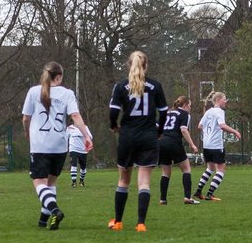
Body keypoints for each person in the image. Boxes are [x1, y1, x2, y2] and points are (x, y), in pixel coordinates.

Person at [21, 61, 93, 230]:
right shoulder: (67, 93)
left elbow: (26, 118)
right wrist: (86, 136)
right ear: (59, 77)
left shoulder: (33, 92)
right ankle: (43, 222)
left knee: (39, 183)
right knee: (51, 184)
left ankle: (55, 210)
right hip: (60, 146)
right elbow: (75, 116)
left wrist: (27, 132)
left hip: (40, 145)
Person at [107, 50, 168, 232]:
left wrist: (114, 126)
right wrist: (159, 131)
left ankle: (118, 222)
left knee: (124, 181)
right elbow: (164, 112)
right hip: (148, 136)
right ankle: (141, 223)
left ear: (128, 65)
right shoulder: (155, 86)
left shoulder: (120, 86)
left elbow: (113, 112)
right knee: (144, 183)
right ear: (146, 66)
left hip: (128, 137)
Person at [194, 91, 241, 201]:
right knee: (221, 170)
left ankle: (198, 191)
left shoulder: (209, 111)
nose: (226, 101)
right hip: (216, 145)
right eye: (224, 99)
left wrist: (209, 129)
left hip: (206, 145)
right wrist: (235, 132)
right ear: (218, 100)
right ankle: (210, 194)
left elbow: (200, 126)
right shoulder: (219, 111)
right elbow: (222, 125)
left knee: (210, 169)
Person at [158, 95, 201, 205]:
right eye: (190, 106)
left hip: (162, 142)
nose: (190, 108)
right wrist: (192, 144)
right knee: (186, 169)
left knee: (165, 172)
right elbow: (183, 130)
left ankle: (163, 199)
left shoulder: (167, 112)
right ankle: (187, 197)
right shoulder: (185, 114)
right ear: (185, 105)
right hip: (174, 142)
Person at [67, 122, 92, 187]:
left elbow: (90, 136)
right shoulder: (69, 128)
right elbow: (65, 137)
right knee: (73, 164)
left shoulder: (85, 127)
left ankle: (81, 181)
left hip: (83, 150)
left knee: (83, 167)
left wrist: (86, 138)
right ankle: (74, 182)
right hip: (73, 149)